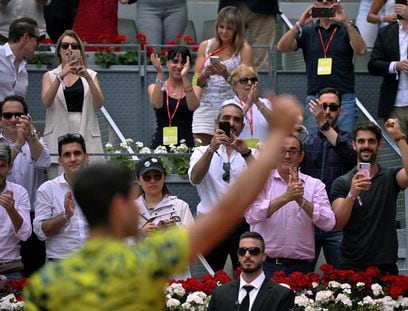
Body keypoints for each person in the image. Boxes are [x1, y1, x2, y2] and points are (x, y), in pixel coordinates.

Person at [24, 93, 302, 310]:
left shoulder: (45, 284)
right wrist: (277, 133)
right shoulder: (145, 260)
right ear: (119, 207)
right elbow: (229, 210)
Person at [331, 120, 408, 275]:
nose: (366, 146)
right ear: (354, 145)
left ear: (379, 145)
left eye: (371, 141)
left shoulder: (390, 177)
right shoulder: (342, 182)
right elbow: (338, 223)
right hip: (352, 265)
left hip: (385, 265)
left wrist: (399, 137)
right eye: (361, 141)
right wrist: (352, 194)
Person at [246, 134, 336, 277]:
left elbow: (328, 222)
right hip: (265, 264)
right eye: (282, 151)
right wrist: (286, 197)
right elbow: (251, 215)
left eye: (293, 151)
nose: (287, 156)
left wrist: (301, 200)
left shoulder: (314, 185)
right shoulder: (260, 181)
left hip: (301, 267)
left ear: (301, 156)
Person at [276, 0, 367, 135]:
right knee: (315, 144)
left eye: (329, 0)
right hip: (316, 98)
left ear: (336, 2)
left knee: (345, 143)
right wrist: (299, 24)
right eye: (320, 0)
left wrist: (346, 22)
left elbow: (361, 50)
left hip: (343, 97)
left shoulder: (346, 29)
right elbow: (281, 47)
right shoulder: (308, 31)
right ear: (315, 4)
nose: (325, 2)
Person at [189, 102, 253, 272]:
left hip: (242, 225)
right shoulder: (201, 151)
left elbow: (261, 184)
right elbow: (195, 178)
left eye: (236, 120)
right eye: (226, 118)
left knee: (244, 278)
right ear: (217, 123)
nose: (231, 123)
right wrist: (211, 148)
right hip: (211, 224)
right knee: (209, 278)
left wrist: (246, 153)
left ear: (242, 126)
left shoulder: (250, 151)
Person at [300, 87, 356, 271]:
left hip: (337, 219)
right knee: (301, 278)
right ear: (315, 107)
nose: (327, 111)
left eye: (333, 107)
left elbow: (351, 156)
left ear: (341, 110)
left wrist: (324, 127)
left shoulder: (349, 138)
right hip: (309, 219)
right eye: (323, 106)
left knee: (343, 279)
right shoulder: (306, 140)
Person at [41, 29, 104, 178]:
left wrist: (87, 77)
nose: (70, 49)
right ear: (58, 51)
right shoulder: (50, 76)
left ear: (80, 51)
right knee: (58, 185)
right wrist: (60, 76)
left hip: (85, 128)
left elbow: (99, 103)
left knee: (88, 186)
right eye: (65, 46)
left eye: (74, 46)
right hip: (58, 132)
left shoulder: (91, 74)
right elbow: (46, 102)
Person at [0, 95, 51, 276]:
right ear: (0, 119)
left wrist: (29, 138)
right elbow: (2, 168)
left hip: (30, 214)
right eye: (7, 115)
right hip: (2, 217)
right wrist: (18, 146)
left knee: (33, 275)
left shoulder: (35, 140)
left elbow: (44, 162)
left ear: (26, 118)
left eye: (18, 115)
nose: (13, 119)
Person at [193, 6, 253, 145]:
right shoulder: (205, 46)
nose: (224, 31)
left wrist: (226, 74)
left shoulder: (244, 49)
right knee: (202, 151)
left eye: (229, 28)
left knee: (227, 147)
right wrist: (205, 75)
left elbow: (247, 85)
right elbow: (194, 80)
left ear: (237, 30)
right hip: (205, 106)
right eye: (221, 27)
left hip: (229, 109)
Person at [135, 156, 194, 279]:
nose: (152, 181)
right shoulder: (130, 209)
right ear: (139, 181)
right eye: (147, 177)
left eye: (157, 176)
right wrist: (140, 233)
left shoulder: (180, 206)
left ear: (164, 177)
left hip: (175, 278)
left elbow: (194, 242)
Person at [33, 133, 89, 261]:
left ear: (86, 157)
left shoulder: (99, 187)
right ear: (60, 161)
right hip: (60, 264)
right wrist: (65, 216)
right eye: (67, 155)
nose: (73, 159)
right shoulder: (47, 189)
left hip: (93, 263)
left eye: (77, 153)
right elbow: (41, 232)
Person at [207, 231, 295, 311]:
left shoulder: (282, 295)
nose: (247, 255)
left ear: (264, 256)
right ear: (238, 255)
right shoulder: (219, 293)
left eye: (254, 251)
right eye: (242, 251)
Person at [368, 0, 408, 148]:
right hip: (393, 105)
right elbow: (373, 65)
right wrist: (396, 66)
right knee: (401, 155)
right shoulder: (386, 32)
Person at [148, 46, 202, 149]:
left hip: (186, 145)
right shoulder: (154, 87)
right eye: (175, 61)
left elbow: (192, 106)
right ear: (167, 63)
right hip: (160, 145)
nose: (179, 66)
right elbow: (156, 104)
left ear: (188, 65)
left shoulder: (195, 89)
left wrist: (184, 76)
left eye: (183, 63)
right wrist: (160, 73)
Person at [218, 0, 279, 70]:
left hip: (263, 7)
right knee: (226, 53)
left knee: (261, 58)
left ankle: (259, 80)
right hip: (231, 5)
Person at [0, 143, 31, 279]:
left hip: (10, 268)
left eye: (2, 166)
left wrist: (11, 210)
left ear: (9, 167)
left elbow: (25, 235)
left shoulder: (19, 192)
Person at [226, 64, 272, 144]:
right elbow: (226, 130)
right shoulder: (228, 104)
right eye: (244, 80)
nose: (250, 83)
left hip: (263, 152)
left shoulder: (266, 103)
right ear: (234, 86)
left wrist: (257, 102)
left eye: (253, 80)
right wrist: (247, 105)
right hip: (238, 151)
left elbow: (277, 125)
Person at [0, 17, 39, 101]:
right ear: (26, 37)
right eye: (37, 40)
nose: (38, 45)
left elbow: (20, 106)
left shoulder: (23, 71)